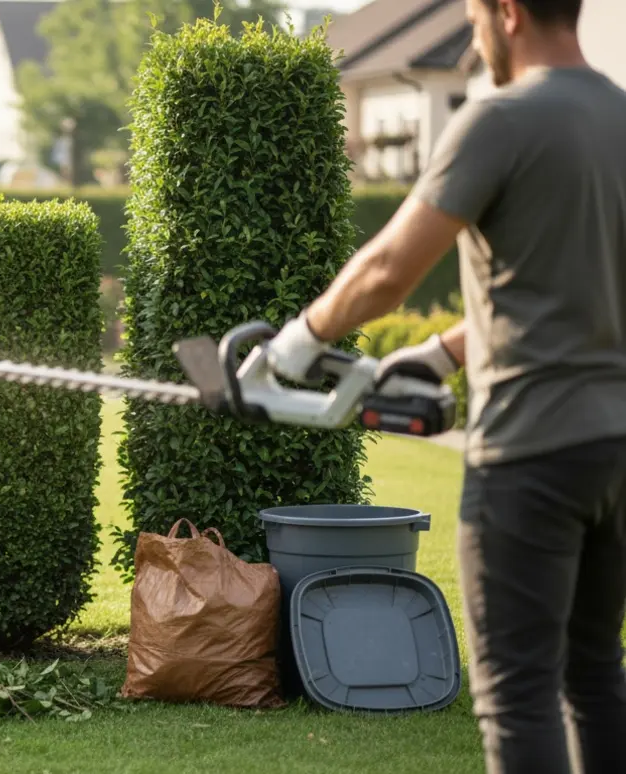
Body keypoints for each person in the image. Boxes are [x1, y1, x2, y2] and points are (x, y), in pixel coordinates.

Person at [264, 1, 626, 772]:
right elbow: (566, 285)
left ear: (508, 12)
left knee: (518, 695)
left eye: (474, 17)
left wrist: (296, 342)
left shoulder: (501, 119)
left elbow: (388, 269)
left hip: (532, 450)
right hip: (617, 451)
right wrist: (441, 353)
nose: (472, 33)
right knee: (596, 677)